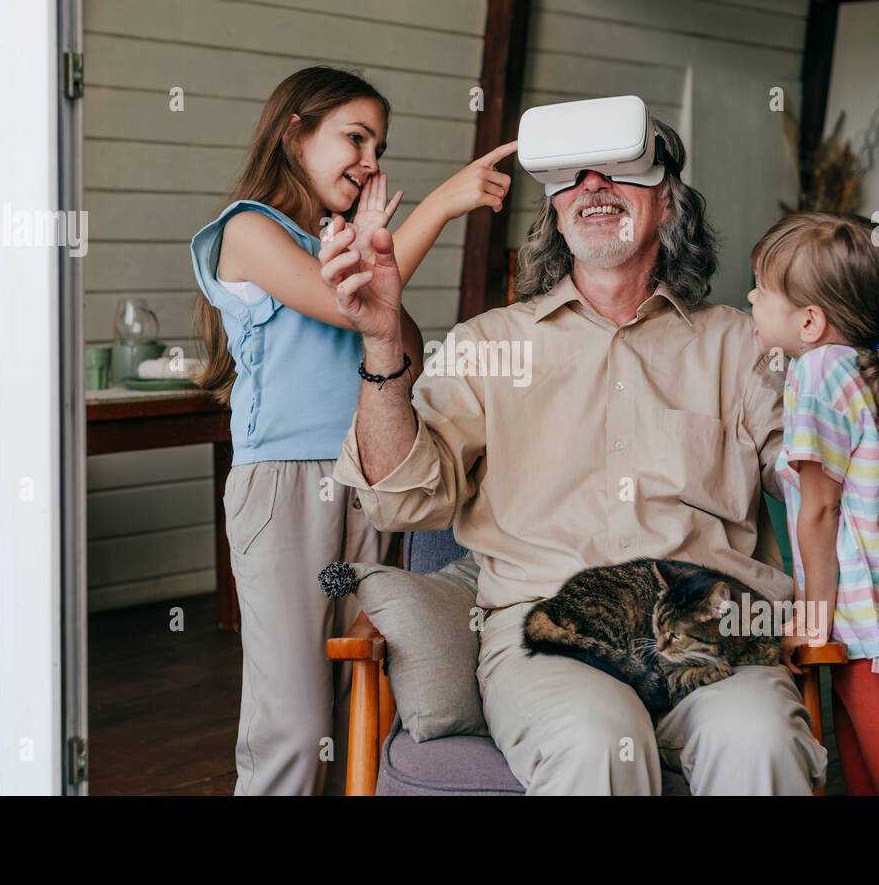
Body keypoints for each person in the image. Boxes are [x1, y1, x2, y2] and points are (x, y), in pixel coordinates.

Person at [321, 113, 828, 794]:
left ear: (669, 200)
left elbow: (817, 481)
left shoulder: (740, 347)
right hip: (553, 641)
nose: (594, 183)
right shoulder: (485, 346)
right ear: (556, 212)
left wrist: (848, 371)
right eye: (571, 175)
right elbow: (400, 500)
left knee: (761, 739)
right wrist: (383, 343)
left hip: (717, 633)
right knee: (600, 741)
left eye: (619, 165)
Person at [190, 65, 514, 795]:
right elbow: (342, 308)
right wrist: (437, 208)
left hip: (364, 483)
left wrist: (376, 261)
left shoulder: (339, 240)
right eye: (355, 137)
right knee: (295, 722)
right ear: (294, 133)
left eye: (379, 144)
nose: (370, 160)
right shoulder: (248, 228)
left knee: (351, 693)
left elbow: (401, 351)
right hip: (285, 492)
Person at [748, 212, 879, 795]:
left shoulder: (815, 372)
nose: (750, 300)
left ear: (810, 321)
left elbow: (818, 510)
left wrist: (811, 620)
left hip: (878, 651)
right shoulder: (858, 365)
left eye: (761, 291)